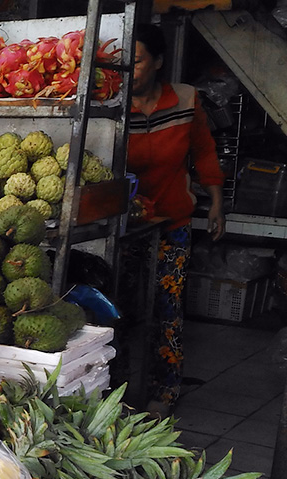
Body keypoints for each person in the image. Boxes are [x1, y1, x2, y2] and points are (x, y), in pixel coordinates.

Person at [126, 23, 226, 417]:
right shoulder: (111, 104)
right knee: (123, 307)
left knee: (167, 306)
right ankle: (115, 385)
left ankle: (165, 387)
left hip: (172, 221)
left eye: (135, 62)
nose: (127, 71)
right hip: (128, 226)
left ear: (158, 62)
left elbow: (203, 151)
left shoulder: (185, 99)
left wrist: (216, 202)